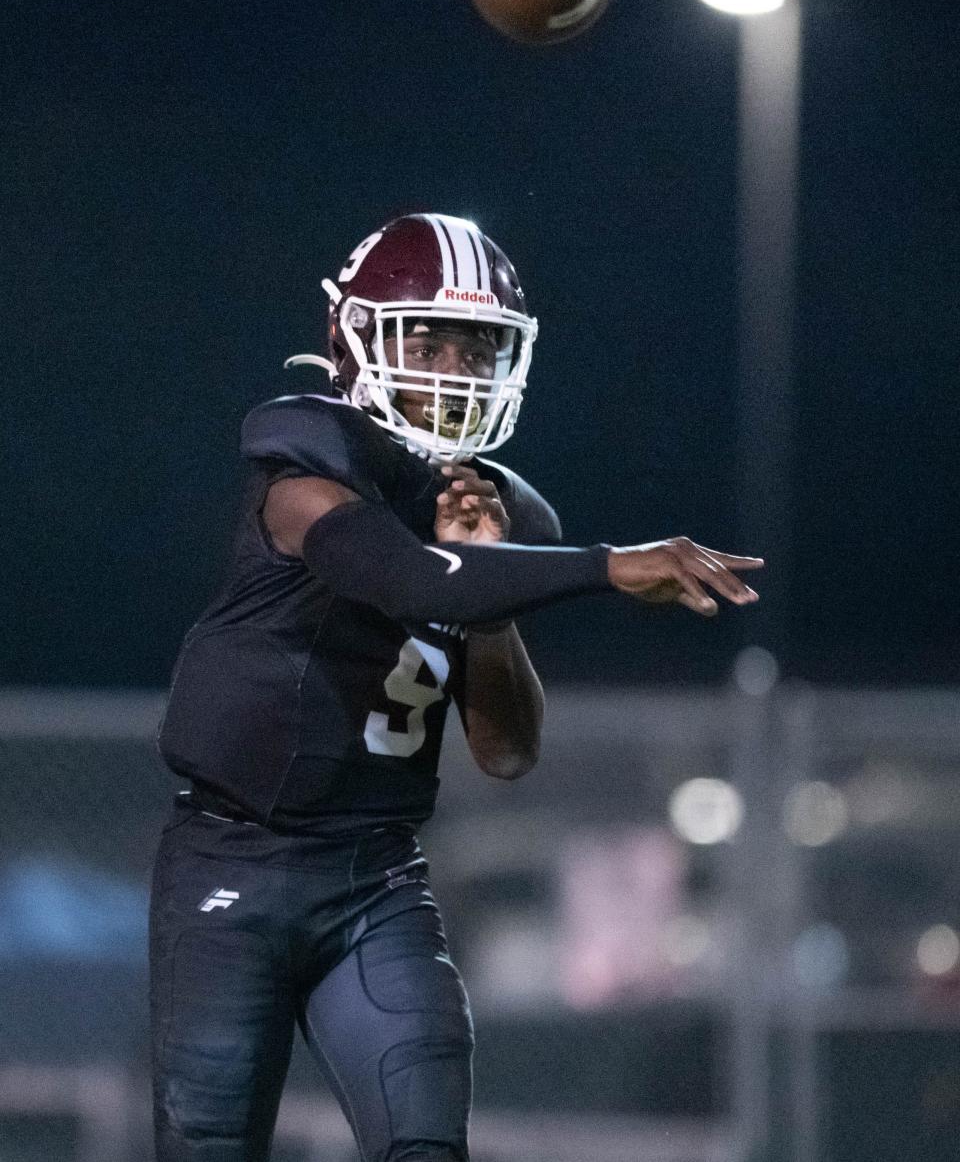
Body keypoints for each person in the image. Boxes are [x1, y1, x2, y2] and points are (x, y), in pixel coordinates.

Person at [150, 212, 762, 1162]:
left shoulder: (507, 514)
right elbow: (398, 577)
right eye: (424, 339)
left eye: (473, 349)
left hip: (376, 878)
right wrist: (605, 566)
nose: (449, 372)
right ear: (355, 339)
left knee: (426, 1147)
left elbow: (507, 751)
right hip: (232, 865)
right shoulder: (303, 462)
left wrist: (494, 594)